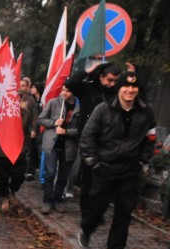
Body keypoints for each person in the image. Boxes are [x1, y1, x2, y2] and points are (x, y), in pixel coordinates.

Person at [78, 71, 156, 249]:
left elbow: (151, 138)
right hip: (104, 167)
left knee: (124, 210)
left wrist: (142, 161)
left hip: (130, 169)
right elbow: (88, 136)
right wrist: (93, 162)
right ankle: (87, 229)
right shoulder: (103, 109)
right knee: (96, 206)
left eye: (134, 87)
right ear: (119, 89)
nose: (130, 90)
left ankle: (116, 248)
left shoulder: (146, 112)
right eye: (126, 86)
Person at [66, 62, 122, 208]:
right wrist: (87, 70)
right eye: (110, 80)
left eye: (116, 81)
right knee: (88, 176)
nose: (112, 84)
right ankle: (86, 208)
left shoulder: (117, 94)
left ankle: (96, 208)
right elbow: (71, 82)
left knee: (103, 177)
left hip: (108, 142)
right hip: (88, 141)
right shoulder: (87, 89)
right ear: (101, 76)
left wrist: (131, 77)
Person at [0, 78, 37, 212]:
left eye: (19, 97)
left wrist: (32, 128)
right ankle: (5, 197)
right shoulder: (2, 108)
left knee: (19, 174)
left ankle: (13, 191)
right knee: (3, 174)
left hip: (20, 146)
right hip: (4, 148)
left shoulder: (26, 108)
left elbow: (31, 121)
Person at [38, 83, 79, 214]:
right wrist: (53, 123)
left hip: (68, 146)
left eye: (67, 91)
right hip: (52, 144)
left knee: (63, 175)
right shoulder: (54, 103)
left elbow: (81, 130)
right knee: (50, 173)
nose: (64, 93)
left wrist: (66, 132)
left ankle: (57, 199)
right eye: (63, 90)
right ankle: (47, 200)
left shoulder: (79, 107)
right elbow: (41, 119)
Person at [20, 77, 40, 181]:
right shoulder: (15, 97)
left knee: (27, 152)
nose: (21, 87)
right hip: (16, 131)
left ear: (28, 87)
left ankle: (28, 171)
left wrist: (33, 129)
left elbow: (34, 116)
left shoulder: (31, 100)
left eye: (23, 85)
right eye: (20, 85)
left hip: (26, 131)